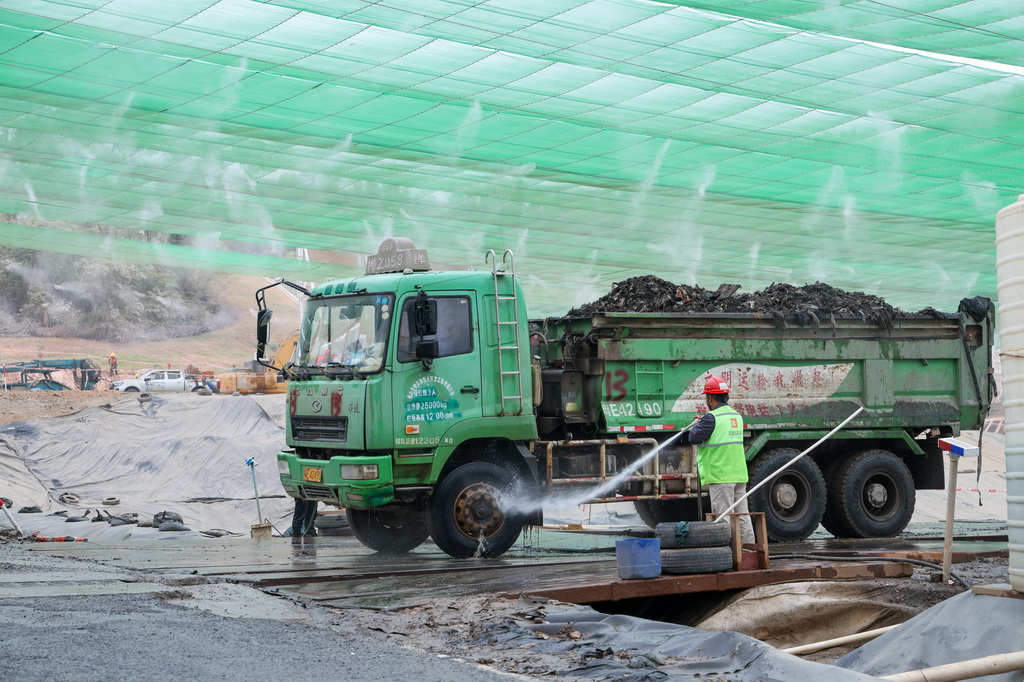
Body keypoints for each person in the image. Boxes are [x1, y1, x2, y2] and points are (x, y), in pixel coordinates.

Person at [688, 375, 755, 544]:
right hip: (738, 474)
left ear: (710, 397)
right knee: (742, 517)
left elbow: (693, 437)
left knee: (722, 518)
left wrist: (698, 424)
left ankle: (726, 556)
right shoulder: (736, 416)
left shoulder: (711, 418)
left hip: (721, 475)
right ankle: (749, 554)